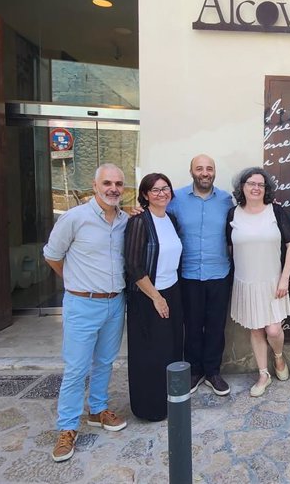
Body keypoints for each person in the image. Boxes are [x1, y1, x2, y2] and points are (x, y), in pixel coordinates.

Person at [43, 164, 128, 462]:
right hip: (82, 304)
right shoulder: (74, 218)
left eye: (118, 183)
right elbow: (52, 255)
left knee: (105, 361)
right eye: (107, 183)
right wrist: (74, 282)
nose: (113, 188)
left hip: (115, 302)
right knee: (77, 368)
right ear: (94, 186)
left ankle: (97, 410)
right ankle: (66, 427)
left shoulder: (124, 221)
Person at [226, 167, 290, 397]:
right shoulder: (233, 214)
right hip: (246, 282)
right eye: (250, 183)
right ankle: (263, 374)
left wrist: (285, 277)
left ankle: (278, 357)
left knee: (274, 330)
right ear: (242, 188)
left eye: (260, 184)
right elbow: (229, 246)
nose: (255, 188)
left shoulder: (275, 211)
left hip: (273, 281)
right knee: (256, 330)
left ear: (266, 189)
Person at [168, 154, 233, 396]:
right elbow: (157, 216)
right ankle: (194, 371)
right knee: (192, 326)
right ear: (191, 171)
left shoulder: (227, 200)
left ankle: (213, 372)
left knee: (216, 326)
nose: (205, 173)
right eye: (199, 168)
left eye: (209, 168)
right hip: (188, 274)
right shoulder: (176, 199)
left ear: (214, 172)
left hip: (219, 273)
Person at [124, 173, 183, 420]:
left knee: (170, 349)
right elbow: (134, 265)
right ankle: (150, 408)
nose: (162, 193)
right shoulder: (139, 221)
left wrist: (167, 296)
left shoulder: (171, 219)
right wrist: (156, 298)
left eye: (165, 188)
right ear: (145, 194)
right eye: (155, 190)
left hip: (173, 290)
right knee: (150, 355)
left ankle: (170, 402)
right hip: (148, 296)